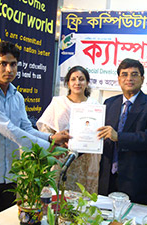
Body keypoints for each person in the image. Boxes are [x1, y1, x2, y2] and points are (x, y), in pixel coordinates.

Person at [0, 41, 69, 225]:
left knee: (6, 222)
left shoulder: (17, 96)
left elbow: (26, 128)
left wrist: (51, 138)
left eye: (13, 64)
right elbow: (9, 130)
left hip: (9, 177)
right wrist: (48, 149)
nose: (9, 69)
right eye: (3, 64)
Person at [97, 58, 147, 204]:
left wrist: (118, 136)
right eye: (124, 74)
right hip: (107, 178)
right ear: (119, 79)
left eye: (134, 74)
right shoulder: (109, 103)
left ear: (142, 78)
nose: (129, 78)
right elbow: (99, 134)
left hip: (135, 179)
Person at [37, 66, 100, 194]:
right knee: (58, 193)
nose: (77, 82)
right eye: (73, 79)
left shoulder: (95, 106)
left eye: (81, 79)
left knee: (82, 196)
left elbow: (99, 133)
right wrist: (55, 142)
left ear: (87, 83)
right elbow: (45, 129)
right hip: (60, 155)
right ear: (68, 83)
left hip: (85, 160)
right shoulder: (58, 103)